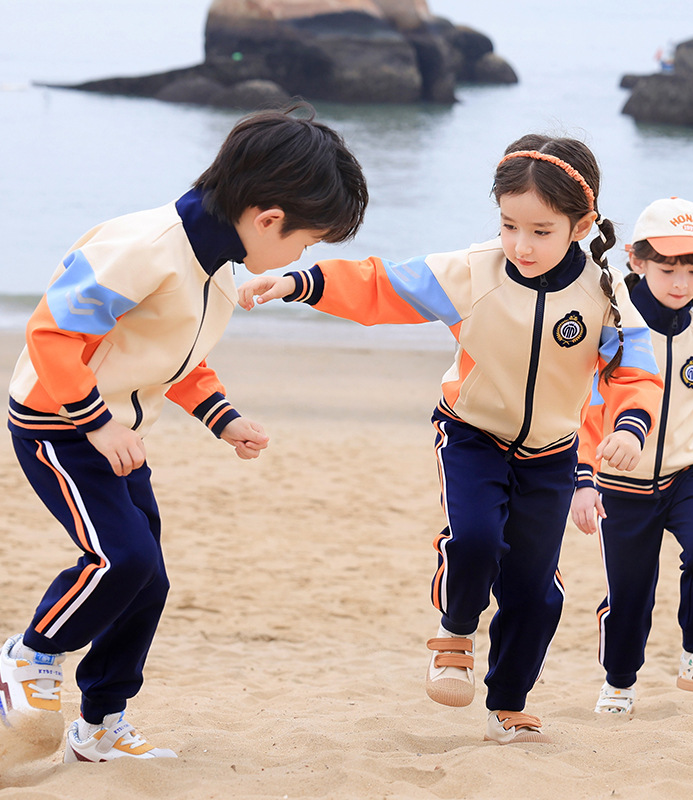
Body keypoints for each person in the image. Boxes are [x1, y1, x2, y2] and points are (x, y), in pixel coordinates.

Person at [237, 134, 663, 744]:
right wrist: (300, 282)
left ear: (581, 225)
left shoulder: (606, 294)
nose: (521, 245)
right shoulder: (473, 271)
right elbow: (384, 285)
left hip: (551, 455)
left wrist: (630, 425)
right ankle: (456, 630)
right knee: (476, 538)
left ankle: (508, 705)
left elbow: (634, 370)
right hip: (470, 435)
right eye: (509, 225)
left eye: (541, 231)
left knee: (536, 592)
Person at [0, 106, 368, 762]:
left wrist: (225, 418)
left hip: (118, 432)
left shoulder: (216, 260)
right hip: (59, 425)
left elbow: (177, 358)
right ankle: (28, 655)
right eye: (307, 244)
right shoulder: (141, 249)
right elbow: (51, 334)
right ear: (268, 218)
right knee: (122, 560)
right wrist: (95, 422)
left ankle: (99, 726)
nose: (301, 257)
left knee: (148, 581)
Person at [571, 196, 693, 715]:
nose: (680, 283)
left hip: (689, 475)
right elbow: (586, 412)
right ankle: (619, 683)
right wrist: (583, 478)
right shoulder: (613, 332)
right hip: (620, 487)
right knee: (631, 595)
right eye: (668, 269)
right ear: (637, 260)